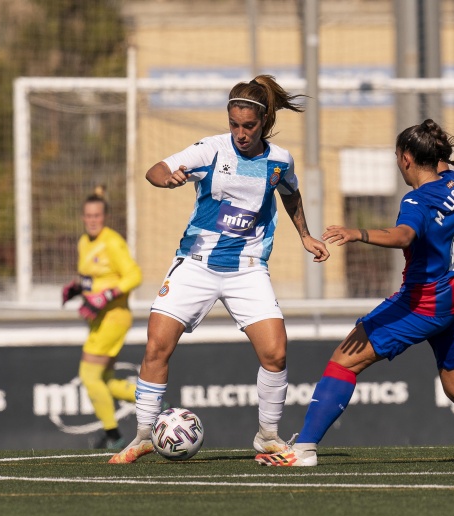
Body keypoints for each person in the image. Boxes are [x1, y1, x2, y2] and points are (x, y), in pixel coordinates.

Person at [255, 119, 454, 467]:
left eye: (397, 156)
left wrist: (357, 233)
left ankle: (303, 450)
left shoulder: (415, 201)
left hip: (424, 302)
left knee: (344, 361)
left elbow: (403, 236)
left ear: (407, 158)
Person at [109, 74, 330, 464]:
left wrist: (305, 236)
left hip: (247, 268)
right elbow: (156, 169)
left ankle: (268, 436)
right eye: (234, 125)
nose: (240, 134)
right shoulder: (210, 150)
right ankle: (144, 435)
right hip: (196, 264)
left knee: (276, 353)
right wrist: (168, 180)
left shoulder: (279, 161)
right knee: (157, 346)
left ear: (263, 123)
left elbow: (291, 194)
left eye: (248, 126)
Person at [62, 186, 142, 450]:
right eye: (88, 215)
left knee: (88, 375)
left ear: (104, 217)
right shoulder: (84, 242)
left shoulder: (112, 241)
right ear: (83, 217)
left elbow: (134, 276)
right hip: (98, 320)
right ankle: (152, 401)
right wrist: (77, 287)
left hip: (114, 318)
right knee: (104, 380)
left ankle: (113, 436)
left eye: (97, 215)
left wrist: (106, 295)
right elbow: (92, 278)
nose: (92, 220)